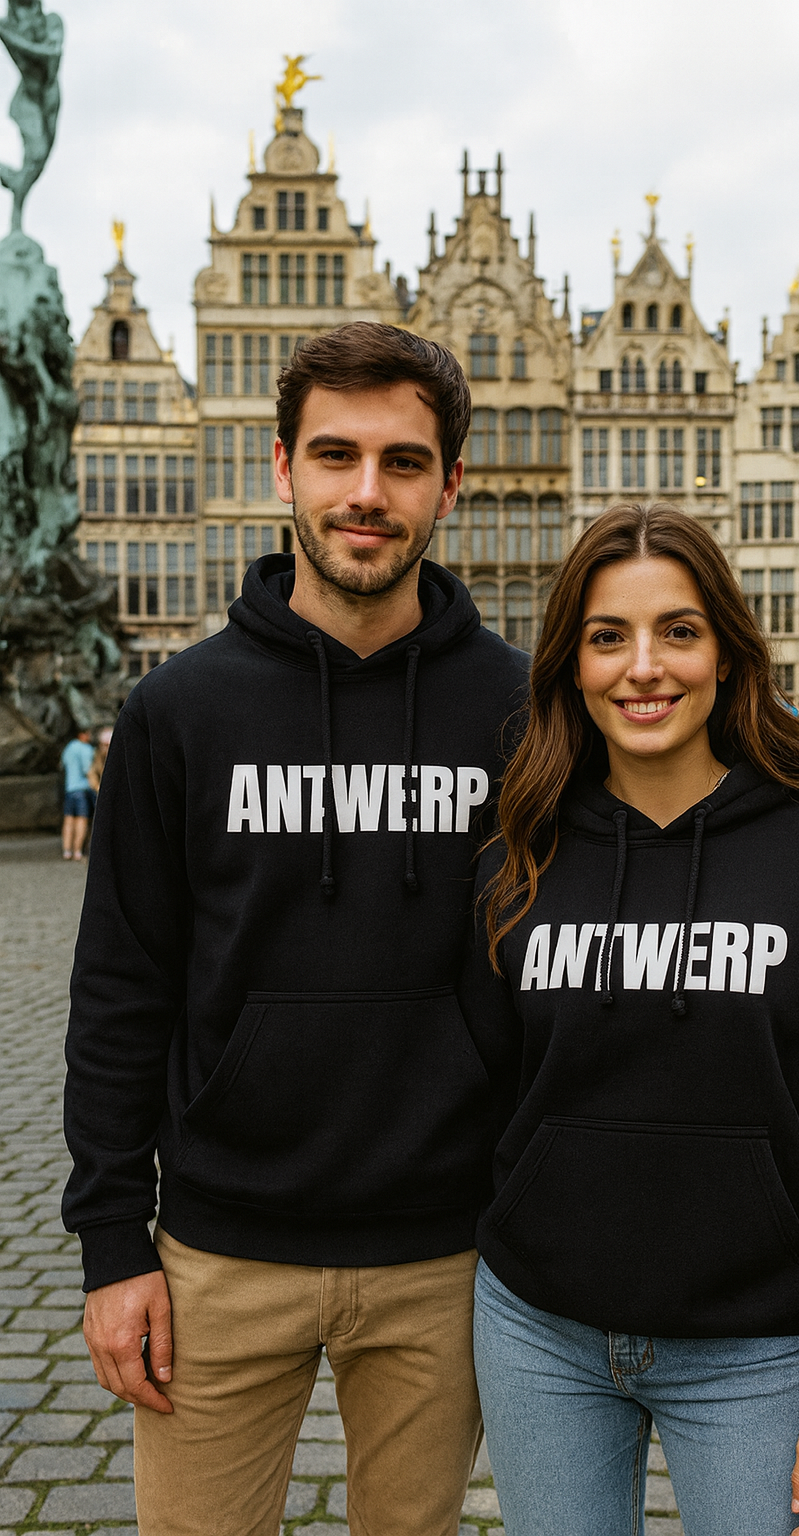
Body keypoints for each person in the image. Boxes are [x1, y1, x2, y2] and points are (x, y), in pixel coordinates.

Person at [62, 322, 530, 1536]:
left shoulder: (523, 711)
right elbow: (120, 986)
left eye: (402, 462)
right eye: (335, 455)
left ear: (450, 484)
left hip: (447, 1258)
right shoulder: (177, 710)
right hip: (218, 1255)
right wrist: (112, 1242)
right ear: (282, 467)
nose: (366, 493)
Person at [462, 504, 799, 1536]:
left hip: (756, 1349)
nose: (644, 668)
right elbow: (484, 1096)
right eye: (608, 636)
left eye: (677, 631)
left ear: (726, 651)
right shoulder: (514, 861)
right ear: (570, 664)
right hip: (539, 1336)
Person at [60, 726, 95, 861]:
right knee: (81, 819)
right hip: (82, 789)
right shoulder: (86, 749)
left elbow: (63, 764)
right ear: (82, 735)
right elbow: (88, 769)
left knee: (68, 820)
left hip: (69, 789)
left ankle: (66, 850)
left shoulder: (69, 747)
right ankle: (77, 851)